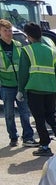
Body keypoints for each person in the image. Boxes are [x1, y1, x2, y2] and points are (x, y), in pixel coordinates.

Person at [17, 22, 56, 156]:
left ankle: (45, 146)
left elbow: (23, 73)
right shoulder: (53, 52)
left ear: (28, 36)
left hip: (34, 90)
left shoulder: (27, 50)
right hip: (51, 91)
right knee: (50, 115)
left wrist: (20, 90)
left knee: (39, 119)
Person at [0, 18, 36, 147]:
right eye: (5, 30)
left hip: (20, 85)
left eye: (10, 30)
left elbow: (24, 64)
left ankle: (28, 137)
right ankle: (13, 137)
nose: (8, 33)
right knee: (9, 114)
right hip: (6, 86)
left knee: (25, 113)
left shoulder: (19, 45)